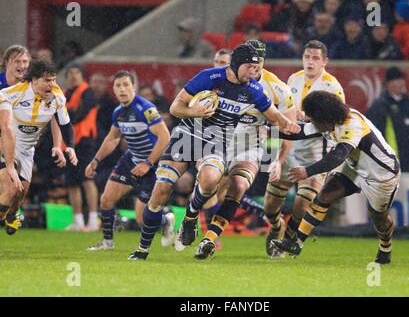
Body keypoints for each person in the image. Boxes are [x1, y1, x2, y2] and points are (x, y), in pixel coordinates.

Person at [128, 44, 300, 260]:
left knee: (210, 180)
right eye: (250, 67)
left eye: (257, 68)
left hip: (216, 142)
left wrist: (288, 124)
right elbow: (175, 108)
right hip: (187, 136)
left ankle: (190, 218)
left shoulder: (254, 89)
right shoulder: (209, 78)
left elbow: (274, 115)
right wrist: (194, 111)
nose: (254, 73)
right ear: (236, 65)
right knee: (161, 190)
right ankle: (142, 250)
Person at [194, 40, 296, 259]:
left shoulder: (278, 89)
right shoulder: (221, 80)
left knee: (238, 185)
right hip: (220, 138)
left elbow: (288, 129)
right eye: (251, 60)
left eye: (259, 60)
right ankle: (192, 222)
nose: (255, 65)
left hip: (251, 143)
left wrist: (278, 160)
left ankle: (209, 240)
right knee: (210, 185)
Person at [272, 91, 401, 265]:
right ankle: (296, 243)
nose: (311, 121)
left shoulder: (352, 124)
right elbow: (299, 132)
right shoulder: (329, 121)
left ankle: (385, 247)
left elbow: (338, 155)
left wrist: (307, 171)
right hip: (355, 167)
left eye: (312, 118)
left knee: (379, 217)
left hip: (381, 175)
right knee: (324, 196)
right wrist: (267, 129)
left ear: (323, 116)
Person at [263, 40, 345, 258]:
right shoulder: (294, 79)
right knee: (270, 205)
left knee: (302, 203)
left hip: (314, 153)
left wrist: (310, 117)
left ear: (324, 61)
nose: (310, 61)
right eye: (307, 57)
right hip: (289, 148)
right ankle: (275, 227)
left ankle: (287, 241)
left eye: (315, 58)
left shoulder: (332, 87)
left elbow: (337, 121)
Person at [85, 70, 174, 251]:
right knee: (106, 199)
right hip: (131, 160)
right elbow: (113, 139)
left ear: (134, 87)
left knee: (142, 219)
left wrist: (147, 163)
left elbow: (165, 137)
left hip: (153, 164)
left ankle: (166, 220)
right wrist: (96, 160)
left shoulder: (146, 109)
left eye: (126, 85)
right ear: (114, 90)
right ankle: (107, 242)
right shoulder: (118, 112)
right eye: (118, 86)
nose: (122, 89)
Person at [0, 60, 77, 233]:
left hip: (28, 149)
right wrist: (10, 165)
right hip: (6, 144)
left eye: (54, 80)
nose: (52, 84)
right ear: (34, 80)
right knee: (12, 187)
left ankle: (12, 215)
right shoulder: (11, 94)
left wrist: (68, 146)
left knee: (21, 192)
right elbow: (5, 126)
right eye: (47, 80)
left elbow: (64, 123)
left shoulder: (58, 97)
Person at [365, 67, 409, 172]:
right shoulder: (379, 107)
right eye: (397, 80)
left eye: (401, 80)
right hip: (387, 167)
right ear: (388, 84)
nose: (401, 83)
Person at [64, 63, 99, 232]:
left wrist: (68, 116)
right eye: (70, 73)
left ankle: (92, 221)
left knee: (87, 180)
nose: (73, 76)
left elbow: (79, 114)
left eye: (76, 72)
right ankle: (78, 221)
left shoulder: (88, 91)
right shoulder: (66, 93)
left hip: (85, 141)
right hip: (70, 143)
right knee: (72, 182)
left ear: (82, 75)